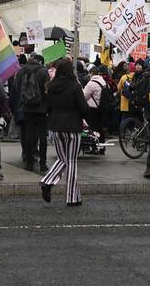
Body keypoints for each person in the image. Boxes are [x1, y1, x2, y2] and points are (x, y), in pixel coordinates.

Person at [41, 58, 87, 206]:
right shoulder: (75, 85)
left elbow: (47, 107)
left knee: (62, 159)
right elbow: (83, 107)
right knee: (72, 161)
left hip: (55, 125)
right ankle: (72, 197)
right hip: (72, 126)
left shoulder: (51, 85)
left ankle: (47, 182)